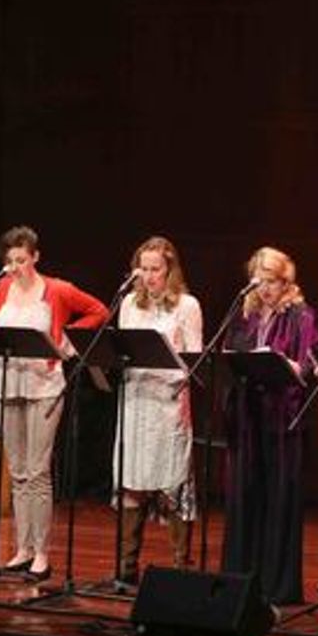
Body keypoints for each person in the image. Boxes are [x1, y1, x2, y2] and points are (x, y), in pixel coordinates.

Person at [0, 225, 109, 581]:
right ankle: (22, 548)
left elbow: (98, 311)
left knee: (38, 471)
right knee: (18, 470)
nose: (14, 267)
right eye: (9, 261)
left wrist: (66, 346)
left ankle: (41, 552)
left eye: (21, 260)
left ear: (35, 257)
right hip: (7, 387)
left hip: (44, 388)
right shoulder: (0, 288)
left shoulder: (56, 289)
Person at [220, 246, 318, 606]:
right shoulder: (244, 314)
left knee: (278, 498)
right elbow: (229, 355)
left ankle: (276, 586)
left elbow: (309, 365)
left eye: (272, 281)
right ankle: (239, 578)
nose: (264, 288)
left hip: (282, 420)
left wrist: (288, 366)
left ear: (286, 282)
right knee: (245, 494)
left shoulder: (300, 316)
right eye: (259, 280)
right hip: (248, 418)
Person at [114, 235, 203, 582]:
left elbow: (194, 360)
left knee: (172, 483)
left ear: (170, 271)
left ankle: (181, 568)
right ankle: (126, 568)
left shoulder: (187, 305)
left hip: (167, 404)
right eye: (144, 269)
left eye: (156, 269)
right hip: (136, 401)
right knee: (133, 482)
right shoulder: (129, 305)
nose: (149, 276)